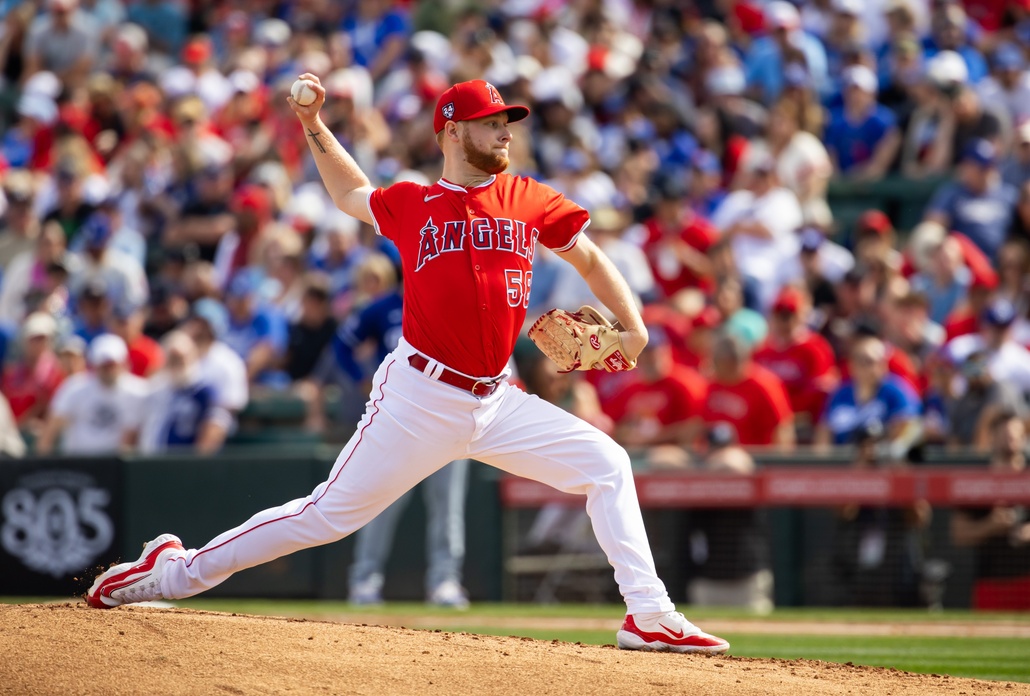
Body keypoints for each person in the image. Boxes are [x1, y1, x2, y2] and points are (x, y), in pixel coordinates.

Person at [86, 77, 729, 653]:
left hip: (496, 399)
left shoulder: (525, 196)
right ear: (452, 129)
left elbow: (587, 258)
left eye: (507, 121)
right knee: (323, 518)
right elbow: (350, 193)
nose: (505, 131)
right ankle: (170, 571)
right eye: (491, 121)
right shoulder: (414, 204)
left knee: (607, 463)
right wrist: (314, 126)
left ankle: (649, 613)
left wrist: (635, 325)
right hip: (419, 396)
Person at [683, 423, 773, 614]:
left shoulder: (743, 467)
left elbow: (736, 464)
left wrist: (717, 463)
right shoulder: (696, 475)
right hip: (707, 581)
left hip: (747, 579)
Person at [951, 410, 1030, 610]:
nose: (1009, 440)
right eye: (1003, 435)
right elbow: (959, 534)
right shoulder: (977, 482)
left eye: (1013, 435)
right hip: (990, 580)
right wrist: (990, 526)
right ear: (992, 438)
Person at [35, 333, 146, 455]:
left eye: (112, 364)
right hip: (79, 463)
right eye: (104, 365)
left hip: (117, 466)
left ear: (123, 363)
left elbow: (132, 437)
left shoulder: (139, 392)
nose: (108, 369)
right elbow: (51, 429)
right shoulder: (75, 388)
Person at [816, 334, 922, 454]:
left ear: (883, 365)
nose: (866, 367)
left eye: (870, 361)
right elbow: (824, 431)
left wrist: (880, 446)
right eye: (860, 360)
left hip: (881, 464)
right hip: (843, 464)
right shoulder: (840, 394)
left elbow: (908, 424)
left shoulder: (896, 390)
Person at [136, 331, 229, 455]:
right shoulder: (158, 390)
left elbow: (215, 428)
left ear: (192, 356)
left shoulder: (204, 391)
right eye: (173, 358)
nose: (178, 363)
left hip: (186, 463)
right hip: (155, 460)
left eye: (182, 358)